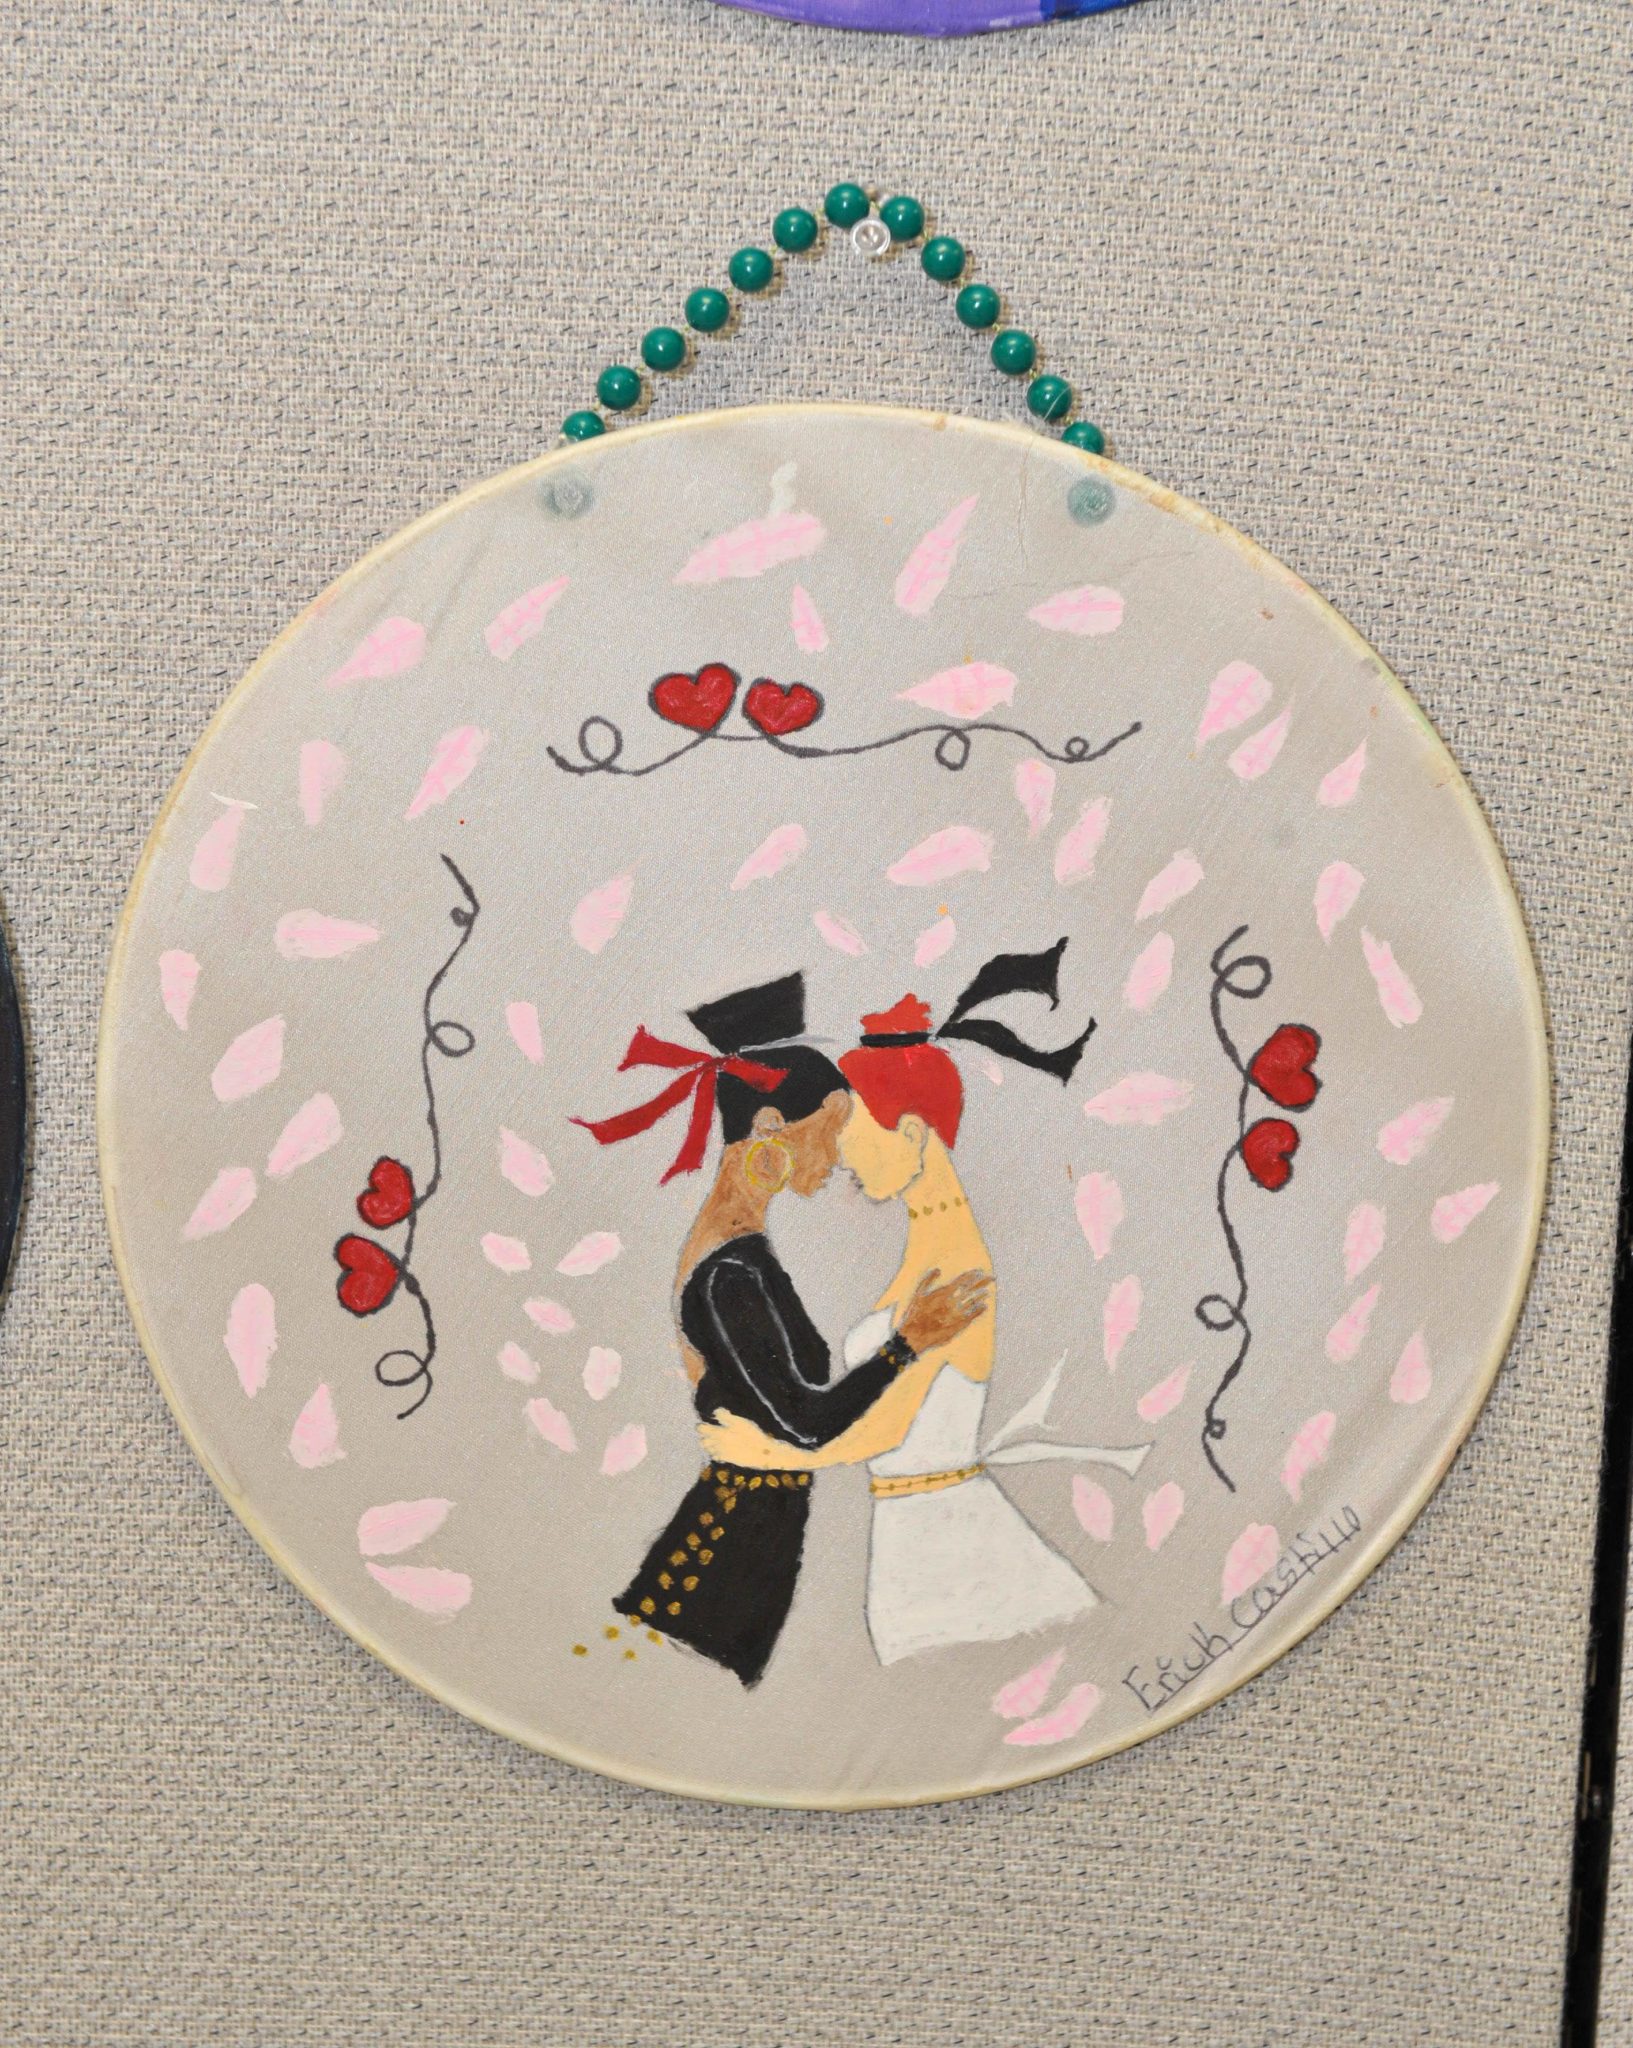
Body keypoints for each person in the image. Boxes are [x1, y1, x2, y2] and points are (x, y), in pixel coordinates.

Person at [701, 943, 1150, 1666]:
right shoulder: (926, 1254)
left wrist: (760, 1450)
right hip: (915, 1528)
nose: (841, 1155)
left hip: (946, 1543)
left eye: (853, 1135)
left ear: (911, 1133)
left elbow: (881, 1429)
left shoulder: (955, 1271)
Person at [570, 970, 992, 1687]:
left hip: (746, 1550)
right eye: (829, 1132)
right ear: (770, 1128)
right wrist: (910, 1342)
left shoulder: (741, 1253)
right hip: (719, 1564)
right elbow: (804, 1420)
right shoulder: (729, 1272)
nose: (837, 1157)